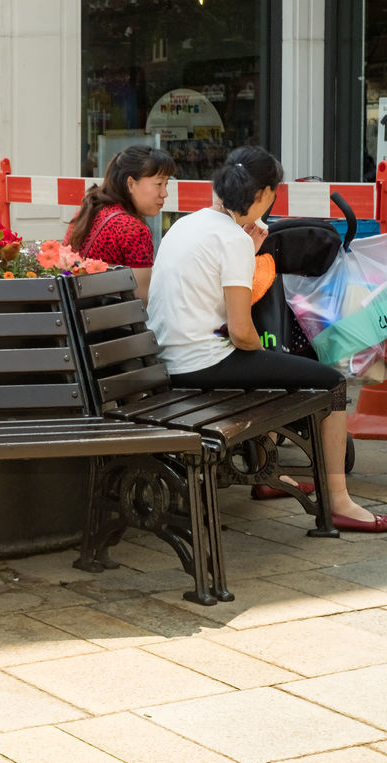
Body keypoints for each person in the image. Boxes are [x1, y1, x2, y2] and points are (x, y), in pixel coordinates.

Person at [146, 145, 385, 533]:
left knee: (277, 365)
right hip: (203, 364)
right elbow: (241, 333)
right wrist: (269, 356)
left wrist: (249, 249)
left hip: (170, 359)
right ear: (263, 194)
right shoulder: (233, 240)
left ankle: (268, 473)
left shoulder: (187, 224)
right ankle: (339, 501)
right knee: (330, 381)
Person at [65, 145, 175, 301]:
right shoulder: (132, 229)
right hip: (111, 321)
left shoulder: (87, 212)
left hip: (79, 317)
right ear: (130, 184)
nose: (164, 193)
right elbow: (142, 302)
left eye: (166, 184)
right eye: (158, 184)